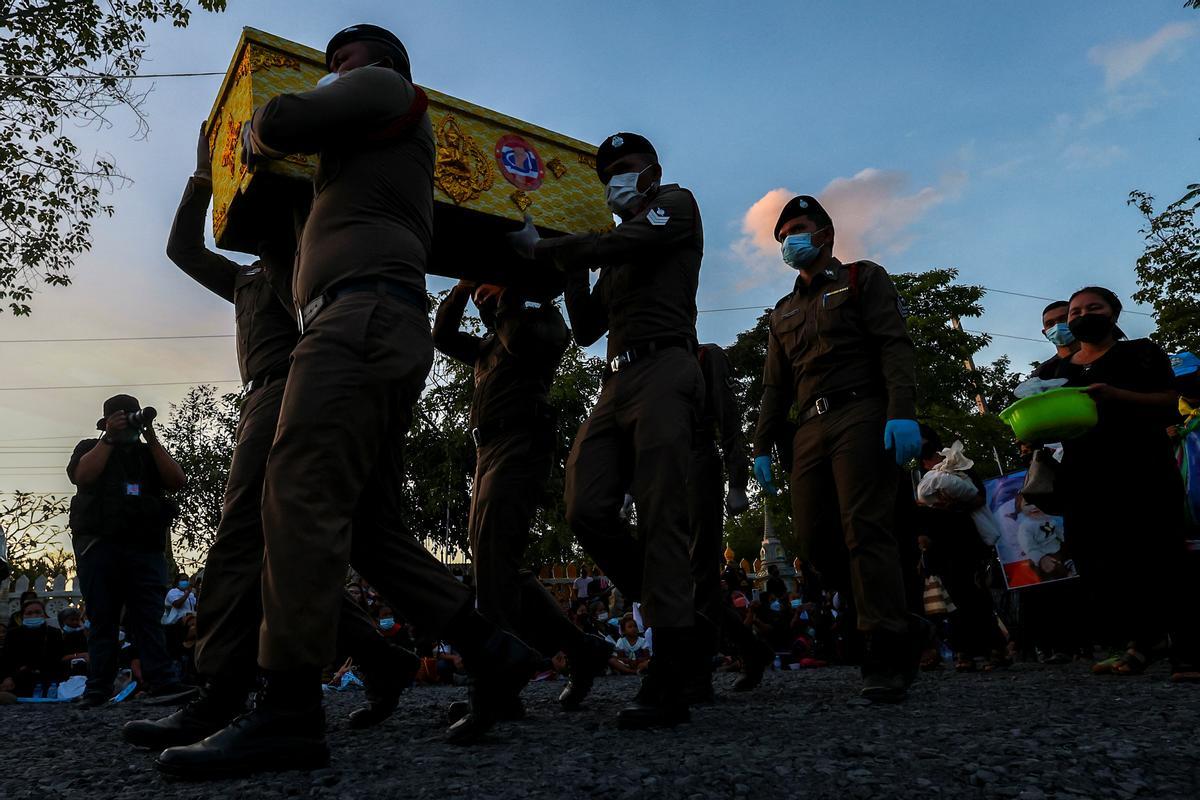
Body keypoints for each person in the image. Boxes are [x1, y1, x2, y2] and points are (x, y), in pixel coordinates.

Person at [155, 24, 542, 779]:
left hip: (357, 319)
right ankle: (493, 652)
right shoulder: (356, 165)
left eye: (343, 62)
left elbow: (278, 121)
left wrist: (262, 128)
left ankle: (289, 712)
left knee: (295, 493)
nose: (334, 71)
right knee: (366, 526)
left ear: (384, 66)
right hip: (370, 322)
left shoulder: (391, 90)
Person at [125, 124, 422, 756]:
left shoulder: (301, 261)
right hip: (260, 394)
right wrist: (204, 179)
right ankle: (377, 655)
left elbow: (307, 208)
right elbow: (183, 250)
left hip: (296, 387)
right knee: (271, 558)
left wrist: (279, 160)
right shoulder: (245, 280)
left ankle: (224, 689)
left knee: (239, 541)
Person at [509, 131, 704, 729]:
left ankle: (672, 667)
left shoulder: (675, 204)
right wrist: (559, 250)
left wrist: (550, 250)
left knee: (663, 513)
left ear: (652, 169)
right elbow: (589, 327)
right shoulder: (609, 247)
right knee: (585, 507)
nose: (617, 178)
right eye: (608, 173)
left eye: (625, 167)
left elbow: (627, 243)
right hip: (615, 380)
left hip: (667, 367)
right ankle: (684, 621)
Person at [752, 194, 928, 703]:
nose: (790, 240)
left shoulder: (861, 278)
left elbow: (893, 343)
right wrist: (762, 444)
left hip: (862, 411)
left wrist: (901, 410)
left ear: (826, 234)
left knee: (864, 528)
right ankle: (900, 619)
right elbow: (773, 388)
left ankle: (885, 649)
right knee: (816, 543)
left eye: (799, 228)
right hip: (807, 428)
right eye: (783, 235)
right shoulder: (783, 311)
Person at [433, 281, 613, 712]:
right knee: (497, 568)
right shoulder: (488, 344)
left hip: (521, 444)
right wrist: (460, 290)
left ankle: (496, 684)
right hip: (488, 451)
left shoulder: (539, 321)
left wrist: (507, 297)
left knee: (496, 564)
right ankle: (581, 650)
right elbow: (441, 337)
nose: (481, 292)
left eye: (487, 282)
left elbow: (522, 340)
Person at [1049, 286, 1198, 679]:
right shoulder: (1059, 371)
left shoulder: (1140, 352)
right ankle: (1140, 643)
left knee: (1161, 557)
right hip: (1084, 476)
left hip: (1141, 469)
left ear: (1114, 314)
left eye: (1093, 307)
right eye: (1075, 312)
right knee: (1103, 564)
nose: (1081, 315)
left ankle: (1189, 650)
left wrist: (1116, 395)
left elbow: (1169, 403)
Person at [67, 394, 190, 706]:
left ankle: (163, 684)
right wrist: (109, 436)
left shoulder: (148, 453)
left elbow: (177, 480)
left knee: (149, 618)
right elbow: (82, 476)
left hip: (145, 549)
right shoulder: (89, 448)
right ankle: (98, 689)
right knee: (103, 619)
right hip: (99, 548)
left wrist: (150, 435)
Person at [687, 343, 771, 698]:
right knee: (678, 574)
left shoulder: (706, 356)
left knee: (700, 572)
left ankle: (695, 672)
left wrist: (737, 478)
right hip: (659, 463)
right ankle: (750, 649)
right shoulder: (647, 359)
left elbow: (728, 415)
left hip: (697, 459)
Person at [0, 598, 63, 697]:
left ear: (44, 614)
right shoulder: (13, 634)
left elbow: (57, 659)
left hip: (47, 680)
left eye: (38, 612)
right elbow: (6, 659)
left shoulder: (54, 633)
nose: (34, 616)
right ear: (23, 616)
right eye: (29, 613)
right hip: (18, 678)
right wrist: (7, 677)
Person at [1034, 301, 1079, 379]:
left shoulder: (1103, 356)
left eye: (1063, 319)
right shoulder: (1042, 373)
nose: (1057, 326)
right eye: (1050, 324)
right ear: (1045, 334)